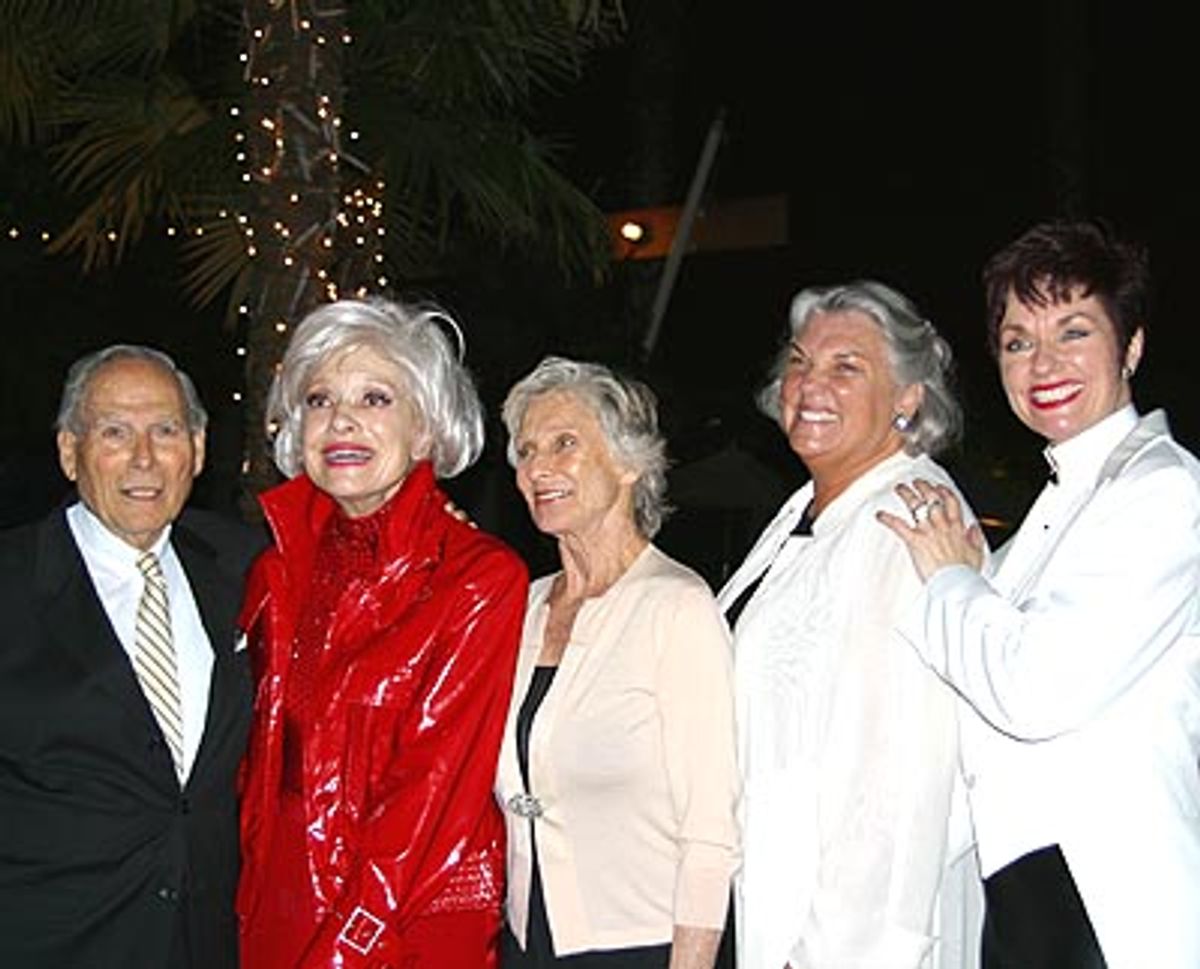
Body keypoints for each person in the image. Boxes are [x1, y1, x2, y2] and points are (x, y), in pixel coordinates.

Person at [880, 220, 1200, 969]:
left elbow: (1033, 688)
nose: (1043, 362)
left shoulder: (1163, 489)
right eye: (1018, 341)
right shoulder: (1032, 536)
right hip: (1016, 895)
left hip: (1106, 895)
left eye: (1074, 330)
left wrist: (950, 577)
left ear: (1132, 347)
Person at [236, 298, 528, 968]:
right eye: (318, 399)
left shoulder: (478, 578)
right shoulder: (272, 572)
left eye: (374, 398)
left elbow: (430, 796)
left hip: (400, 925)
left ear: (426, 428)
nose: (341, 420)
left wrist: (347, 945)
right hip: (269, 900)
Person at [718, 281, 981, 969]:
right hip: (773, 905)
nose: (810, 384)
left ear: (909, 396)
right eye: (801, 362)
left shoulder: (910, 518)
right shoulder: (805, 510)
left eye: (847, 367)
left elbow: (899, 782)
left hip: (845, 939)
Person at [0, 345, 263, 968]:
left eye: (165, 430)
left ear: (196, 450)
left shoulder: (248, 569)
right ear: (70, 452)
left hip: (209, 944)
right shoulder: (10, 580)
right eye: (114, 431)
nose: (144, 458)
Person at [495, 357, 739, 969]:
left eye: (564, 444)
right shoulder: (520, 607)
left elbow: (712, 830)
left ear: (629, 463)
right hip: (525, 942)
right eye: (526, 451)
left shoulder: (677, 607)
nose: (537, 468)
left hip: (643, 948)